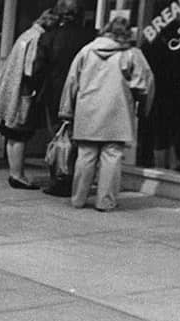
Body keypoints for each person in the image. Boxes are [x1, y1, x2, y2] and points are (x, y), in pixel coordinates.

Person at [59, 16, 155, 211]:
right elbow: (144, 85)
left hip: (88, 111)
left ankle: (78, 198)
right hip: (118, 111)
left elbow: (72, 82)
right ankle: (105, 201)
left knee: (86, 155)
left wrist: (66, 111)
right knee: (112, 155)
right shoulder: (132, 54)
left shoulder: (87, 51)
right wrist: (143, 108)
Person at [0, 8, 59, 189]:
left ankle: (14, 173)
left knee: (11, 133)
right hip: (23, 92)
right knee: (20, 133)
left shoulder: (27, 34)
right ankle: (18, 175)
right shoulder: (38, 38)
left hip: (12, 89)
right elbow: (30, 69)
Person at [33, 0, 95, 195]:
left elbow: (38, 69)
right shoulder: (91, 37)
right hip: (86, 94)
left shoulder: (49, 37)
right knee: (81, 141)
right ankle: (78, 180)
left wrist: (35, 90)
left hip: (55, 94)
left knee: (58, 137)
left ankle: (60, 178)